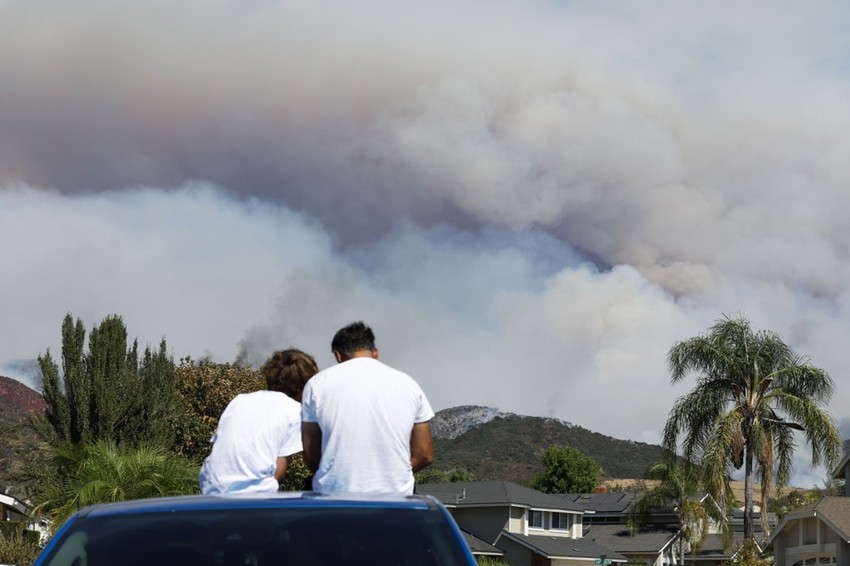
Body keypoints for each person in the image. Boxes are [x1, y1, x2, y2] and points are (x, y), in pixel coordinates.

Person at [301, 321, 434, 495]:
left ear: (338, 355)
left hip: (333, 496)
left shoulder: (317, 384)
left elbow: (311, 456)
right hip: (397, 498)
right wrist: (392, 477)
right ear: (375, 353)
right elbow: (425, 454)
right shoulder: (409, 385)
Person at [199, 348, 318, 494]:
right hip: (254, 492)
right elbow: (278, 472)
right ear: (304, 386)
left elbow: (218, 447)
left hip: (210, 486)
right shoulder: (295, 411)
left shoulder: (239, 400)